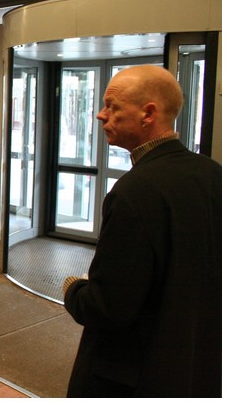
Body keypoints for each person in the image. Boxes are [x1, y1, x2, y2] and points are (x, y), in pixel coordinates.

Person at [62, 65, 221, 397]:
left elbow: (108, 307)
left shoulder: (134, 191)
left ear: (148, 113)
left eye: (113, 106)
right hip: (196, 369)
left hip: (132, 377)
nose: (100, 115)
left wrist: (74, 290)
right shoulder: (213, 175)